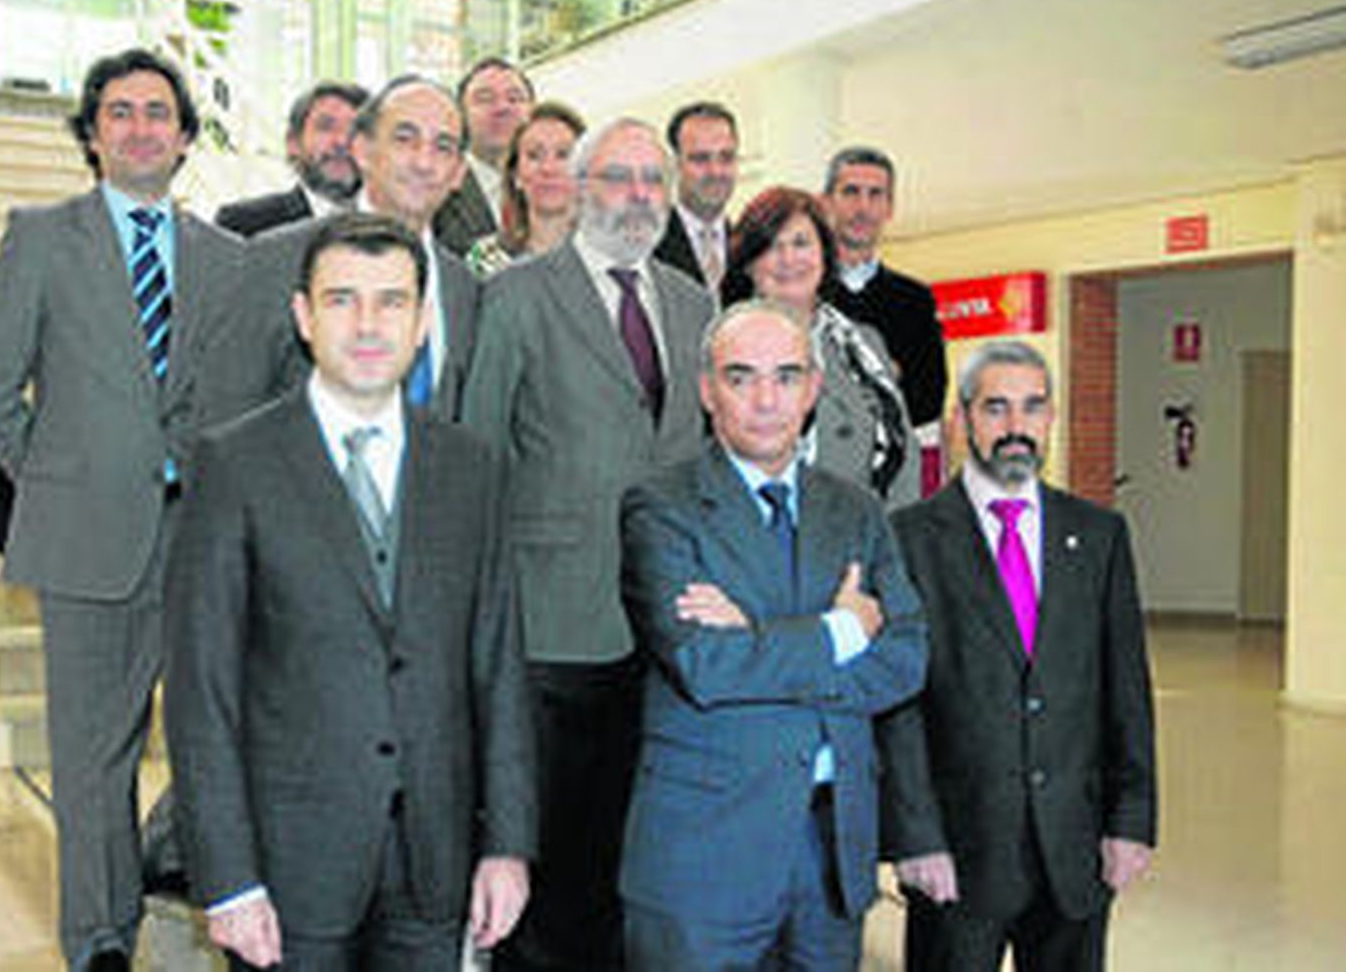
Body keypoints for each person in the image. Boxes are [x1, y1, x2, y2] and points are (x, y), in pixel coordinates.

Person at [164, 213, 535, 971]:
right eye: (342, 300)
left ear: (423, 319)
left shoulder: (474, 468)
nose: (368, 324)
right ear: (303, 315)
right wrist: (228, 878)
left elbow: (498, 667)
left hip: (436, 860)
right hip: (288, 869)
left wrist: (508, 843)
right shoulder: (235, 464)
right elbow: (202, 690)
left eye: (392, 301)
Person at [0, 48, 244, 972]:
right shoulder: (41, 237)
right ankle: (100, 939)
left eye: (159, 112)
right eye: (119, 112)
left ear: (187, 136)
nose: (141, 127)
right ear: (91, 135)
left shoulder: (226, 259)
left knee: (216, 749)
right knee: (92, 763)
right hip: (88, 547)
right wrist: (64, 475)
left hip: (204, 542)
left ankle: (217, 912)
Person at [462, 117, 713, 971]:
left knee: (631, 854)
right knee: (546, 860)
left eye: (653, 179)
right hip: (550, 630)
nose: (638, 196)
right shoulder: (518, 296)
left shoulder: (691, 303)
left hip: (665, 631)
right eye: (618, 177)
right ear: (576, 185)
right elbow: (480, 458)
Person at [619, 300, 927, 971]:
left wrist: (756, 639)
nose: (766, 400)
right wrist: (842, 629)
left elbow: (906, 656)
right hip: (705, 858)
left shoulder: (858, 511)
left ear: (813, 388)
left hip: (831, 853)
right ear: (707, 389)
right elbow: (704, 665)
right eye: (741, 377)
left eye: (787, 377)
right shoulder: (660, 508)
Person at [880, 340, 1158, 972]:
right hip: (957, 856)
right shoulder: (908, 540)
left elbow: (1127, 689)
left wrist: (1132, 820)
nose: (1015, 428)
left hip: (1075, 849)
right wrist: (915, 837)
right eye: (996, 408)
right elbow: (899, 706)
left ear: (1051, 417)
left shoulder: (1099, 535)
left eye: (1032, 408)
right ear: (961, 420)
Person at [205, 75, 477, 425]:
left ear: (458, 173)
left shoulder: (465, 289)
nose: (423, 162)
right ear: (362, 151)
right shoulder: (276, 261)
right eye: (405, 139)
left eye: (443, 147)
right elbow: (220, 416)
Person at [721, 186, 920, 508]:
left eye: (801, 243)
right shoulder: (723, 346)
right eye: (772, 246)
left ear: (824, 255)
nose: (788, 259)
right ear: (748, 265)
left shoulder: (866, 346)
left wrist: (891, 541)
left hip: (865, 537)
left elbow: (904, 454)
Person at [821, 146, 947, 491]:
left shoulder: (915, 301)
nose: (863, 207)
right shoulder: (803, 291)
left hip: (890, 480)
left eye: (876, 195)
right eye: (851, 192)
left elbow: (927, 397)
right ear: (827, 201)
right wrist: (884, 374)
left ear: (889, 208)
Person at [214, 80, 369, 237]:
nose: (342, 141)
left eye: (355, 130)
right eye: (325, 127)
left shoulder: (390, 224)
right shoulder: (243, 224)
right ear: (293, 142)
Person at [465, 101, 585, 278]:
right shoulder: (485, 259)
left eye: (563, 155)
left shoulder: (609, 252)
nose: (548, 168)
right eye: (534, 155)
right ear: (516, 176)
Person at [434, 56, 534, 256]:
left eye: (514, 98)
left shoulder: (560, 186)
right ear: (460, 116)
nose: (502, 108)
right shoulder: (436, 193)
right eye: (485, 99)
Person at [653, 101, 739, 302]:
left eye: (726, 157)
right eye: (700, 159)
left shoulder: (750, 246)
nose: (715, 171)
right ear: (673, 165)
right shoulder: (648, 247)